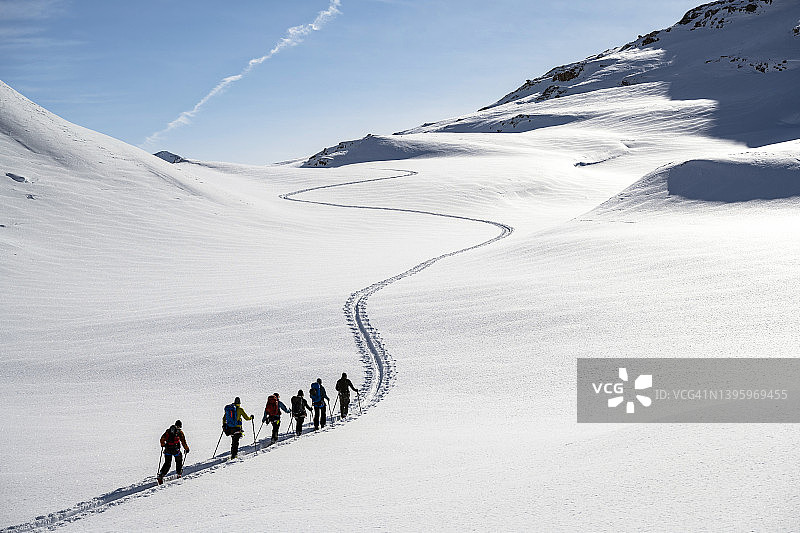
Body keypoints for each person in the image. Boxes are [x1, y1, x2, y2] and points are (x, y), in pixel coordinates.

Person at [158, 420, 189, 485]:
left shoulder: (168, 431)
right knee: (179, 461)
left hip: (167, 449)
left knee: (167, 463)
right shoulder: (180, 432)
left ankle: (161, 475)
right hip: (176, 450)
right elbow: (183, 441)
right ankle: (178, 473)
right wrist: (186, 449)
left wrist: (163, 445)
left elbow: (162, 439)